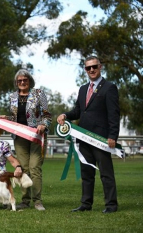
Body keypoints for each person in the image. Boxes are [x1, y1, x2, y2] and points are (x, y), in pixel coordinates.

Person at [57, 55, 120, 214]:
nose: (91, 70)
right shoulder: (83, 89)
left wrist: (112, 136)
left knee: (106, 174)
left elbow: (114, 114)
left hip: (101, 139)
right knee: (86, 173)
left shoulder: (109, 87)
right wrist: (65, 115)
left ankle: (111, 205)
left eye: (94, 67)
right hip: (83, 138)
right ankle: (86, 203)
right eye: (88, 68)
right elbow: (78, 111)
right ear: (85, 70)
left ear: (100, 67)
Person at [0, 69, 52, 211]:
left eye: (25, 80)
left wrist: (43, 125)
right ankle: (25, 200)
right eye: (19, 81)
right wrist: (6, 119)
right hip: (19, 137)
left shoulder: (39, 94)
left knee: (35, 168)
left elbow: (47, 115)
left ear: (29, 81)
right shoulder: (12, 96)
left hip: (36, 136)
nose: (22, 82)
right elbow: (15, 118)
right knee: (23, 168)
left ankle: (37, 201)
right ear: (16, 83)